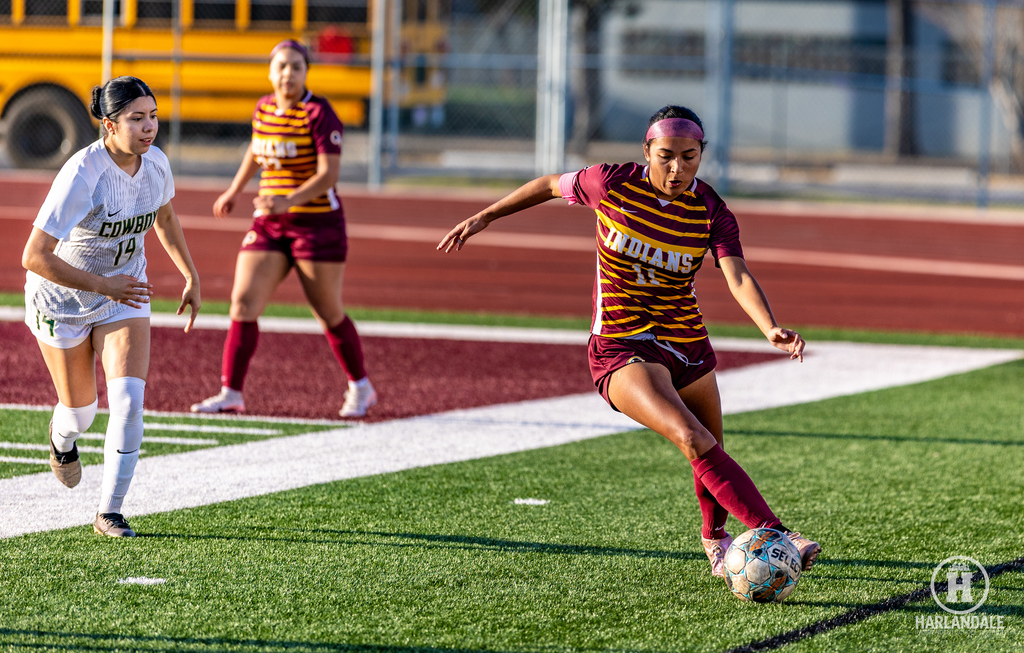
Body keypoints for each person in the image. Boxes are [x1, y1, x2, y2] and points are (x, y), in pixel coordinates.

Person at [437, 105, 820, 578]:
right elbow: (545, 185)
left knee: (709, 448)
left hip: (686, 342)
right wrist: (486, 216)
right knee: (692, 438)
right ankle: (778, 533)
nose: (677, 168)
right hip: (621, 344)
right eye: (666, 156)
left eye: (689, 157)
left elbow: (736, 274)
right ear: (646, 151)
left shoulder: (711, 210)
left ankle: (714, 539)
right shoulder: (610, 182)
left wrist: (769, 326)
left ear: (702, 155)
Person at [22, 76, 201, 538]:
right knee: (81, 412)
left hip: (123, 293)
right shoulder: (84, 173)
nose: (149, 128)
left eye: (153, 116)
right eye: (136, 119)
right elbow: (35, 256)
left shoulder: (156, 164)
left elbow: (163, 216)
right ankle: (62, 443)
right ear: (108, 124)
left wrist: (190, 274)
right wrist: (103, 284)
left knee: (128, 401)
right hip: (62, 300)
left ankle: (110, 511)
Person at [190, 40, 375, 418]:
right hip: (270, 223)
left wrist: (287, 201)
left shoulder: (319, 112)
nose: (288, 74)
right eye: (281, 66)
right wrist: (234, 190)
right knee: (242, 302)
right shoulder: (264, 107)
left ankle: (362, 386)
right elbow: (257, 151)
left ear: (306, 72)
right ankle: (231, 392)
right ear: (270, 71)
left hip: (317, 225)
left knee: (327, 311)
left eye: (296, 67)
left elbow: (329, 174)